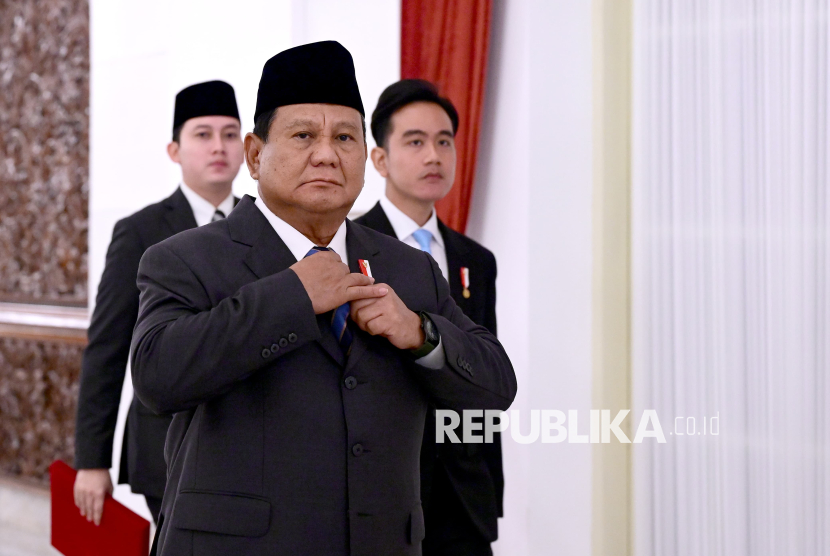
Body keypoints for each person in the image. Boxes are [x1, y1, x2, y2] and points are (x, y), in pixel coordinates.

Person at [130, 41, 516, 556]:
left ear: (364, 154)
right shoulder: (186, 258)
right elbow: (158, 378)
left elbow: (495, 386)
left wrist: (421, 334)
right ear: (255, 154)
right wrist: (293, 294)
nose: (327, 154)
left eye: (345, 137)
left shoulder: (407, 268)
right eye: (304, 135)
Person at [73, 80, 244, 525]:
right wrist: (92, 460)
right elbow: (107, 346)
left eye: (229, 134)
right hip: (162, 443)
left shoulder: (263, 224)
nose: (218, 146)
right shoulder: (141, 230)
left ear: (247, 147)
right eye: (202, 134)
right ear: (175, 150)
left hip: (249, 437)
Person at [356, 79, 502, 556]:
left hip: (463, 497)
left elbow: (486, 374)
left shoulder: (474, 259)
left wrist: (490, 491)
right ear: (379, 159)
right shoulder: (348, 247)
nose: (433, 155)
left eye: (444, 142)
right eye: (415, 142)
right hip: (381, 491)